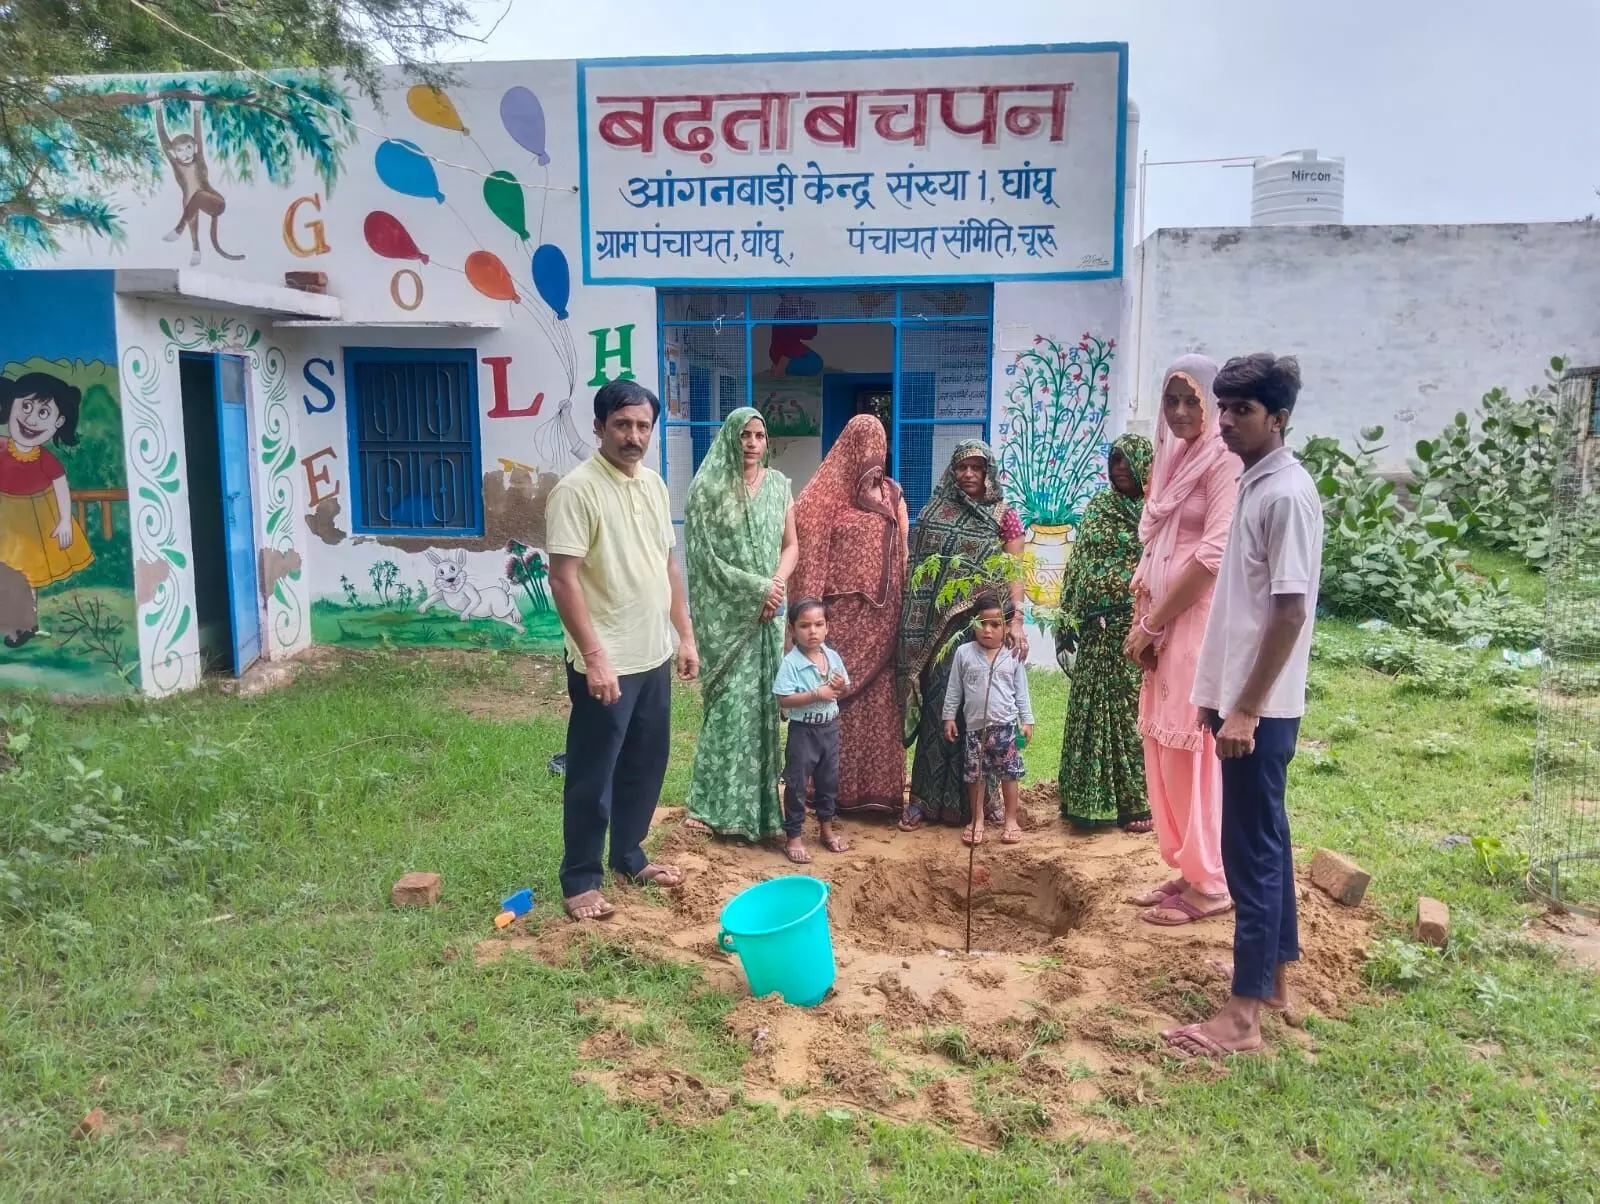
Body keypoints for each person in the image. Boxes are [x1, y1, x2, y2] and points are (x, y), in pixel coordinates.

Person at [1163, 353, 1323, 1059]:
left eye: (1242, 411)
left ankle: (1242, 1018)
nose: (1225, 421)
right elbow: (1243, 608)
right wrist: (1216, 697)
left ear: (1279, 418)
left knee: (1250, 854)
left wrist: (1246, 711)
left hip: (1258, 711)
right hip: (1237, 701)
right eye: (1222, 407)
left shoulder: (1285, 494)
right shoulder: (1254, 483)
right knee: (1269, 843)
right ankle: (1276, 982)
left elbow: (1289, 613)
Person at [546, 380, 699, 922]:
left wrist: (684, 635)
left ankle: (630, 855)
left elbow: (669, 566)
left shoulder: (654, 485)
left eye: (642, 426)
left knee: (644, 764)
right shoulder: (577, 490)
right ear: (599, 427)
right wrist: (594, 656)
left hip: (653, 652)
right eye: (622, 425)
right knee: (594, 770)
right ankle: (581, 878)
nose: (633, 436)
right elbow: (563, 579)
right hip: (607, 661)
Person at [1123, 355, 1241, 927]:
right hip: (1160, 625)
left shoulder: (1224, 463)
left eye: (1192, 400)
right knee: (1164, 746)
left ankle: (1212, 882)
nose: (1180, 412)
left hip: (1194, 626)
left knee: (1192, 748)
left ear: (1213, 404)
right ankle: (1185, 866)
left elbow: (1211, 558)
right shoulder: (1171, 458)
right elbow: (1159, 544)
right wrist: (1144, 616)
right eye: (1171, 400)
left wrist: (1153, 624)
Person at [682, 408, 798, 841]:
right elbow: (704, 561)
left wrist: (777, 585)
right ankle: (710, 806)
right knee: (728, 706)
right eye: (745, 435)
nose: (752, 443)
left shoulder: (779, 487)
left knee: (764, 709)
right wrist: (756, 591)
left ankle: (763, 813)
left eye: (759, 435)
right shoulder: (708, 490)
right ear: (731, 438)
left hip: (770, 614)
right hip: (730, 620)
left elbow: (791, 546)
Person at [900, 440, 1027, 830]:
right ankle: (923, 800)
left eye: (977, 467)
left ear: (989, 471)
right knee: (945, 711)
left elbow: (1013, 570)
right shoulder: (935, 511)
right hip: (940, 635)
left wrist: (1016, 621)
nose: (969, 474)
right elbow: (918, 569)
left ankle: (984, 804)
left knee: (985, 716)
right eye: (962, 467)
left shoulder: (1005, 516)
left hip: (984, 629)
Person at [790, 415, 909, 815]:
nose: (873, 458)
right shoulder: (825, 495)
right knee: (834, 697)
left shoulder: (893, 494)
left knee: (877, 704)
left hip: (882, 622)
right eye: (865, 448)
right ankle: (827, 794)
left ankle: (876, 794)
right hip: (837, 621)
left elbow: (903, 551)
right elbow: (803, 535)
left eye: (879, 448)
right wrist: (810, 610)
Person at [1055, 434, 1154, 833]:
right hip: (1095, 632)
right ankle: (1084, 801)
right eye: (1114, 461)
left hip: (1137, 632)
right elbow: (1079, 564)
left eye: (1128, 461)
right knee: (1092, 712)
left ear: (1145, 465)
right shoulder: (1098, 507)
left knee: (1132, 713)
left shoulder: (1157, 512)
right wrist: (1068, 620)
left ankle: (1135, 802)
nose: (1120, 468)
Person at [0, 373, 95, 649]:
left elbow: (61, 487)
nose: (31, 419)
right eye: (26, 407)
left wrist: (66, 520)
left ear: (58, 422)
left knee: (28, 574)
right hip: (4, 518)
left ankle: (24, 626)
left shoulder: (47, 460)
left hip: (34, 520)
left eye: (43, 412)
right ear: (11, 406)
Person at [942, 595, 1033, 846]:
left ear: (1006, 627)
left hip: (1005, 727)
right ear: (973, 623)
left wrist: (1027, 720)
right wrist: (949, 717)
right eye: (982, 623)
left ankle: (1011, 820)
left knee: (1009, 774)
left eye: (995, 624)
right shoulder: (964, 653)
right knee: (976, 776)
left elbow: (1021, 691)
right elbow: (954, 689)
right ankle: (977, 819)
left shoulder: (1011, 655)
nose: (987, 630)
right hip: (974, 729)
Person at [772, 598, 851, 864]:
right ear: (792, 630)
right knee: (796, 783)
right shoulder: (791, 663)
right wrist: (817, 693)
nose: (813, 631)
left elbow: (844, 689)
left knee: (828, 782)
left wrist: (840, 686)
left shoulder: (833, 657)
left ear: (828, 627)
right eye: (804, 626)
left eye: (819, 624)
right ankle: (793, 835)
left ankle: (826, 829)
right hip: (803, 732)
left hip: (829, 730)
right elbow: (783, 699)